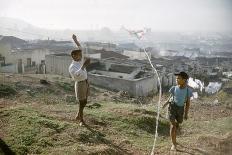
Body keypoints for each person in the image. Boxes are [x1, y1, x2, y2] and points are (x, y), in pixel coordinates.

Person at [162, 71, 193, 151]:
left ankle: (174, 137)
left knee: (177, 124)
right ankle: (173, 144)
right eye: (176, 78)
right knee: (173, 126)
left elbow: (188, 103)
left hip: (180, 109)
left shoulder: (188, 91)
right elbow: (171, 97)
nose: (177, 80)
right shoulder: (174, 88)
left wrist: (186, 114)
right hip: (172, 107)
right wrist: (165, 103)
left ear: (184, 80)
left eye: (179, 78)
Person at [69, 34, 90, 126]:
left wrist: (75, 40)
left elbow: (80, 48)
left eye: (81, 55)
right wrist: (83, 66)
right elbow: (76, 75)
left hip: (85, 82)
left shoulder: (79, 61)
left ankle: (78, 114)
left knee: (85, 101)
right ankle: (81, 120)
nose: (81, 56)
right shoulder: (72, 66)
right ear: (73, 56)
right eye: (79, 55)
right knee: (81, 102)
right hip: (80, 84)